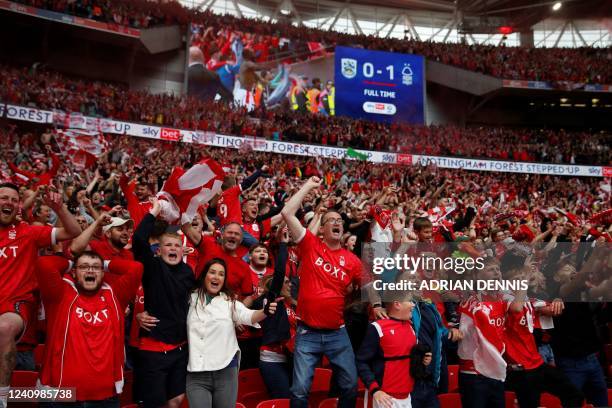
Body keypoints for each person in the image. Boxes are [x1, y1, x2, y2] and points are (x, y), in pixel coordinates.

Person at [281, 176, 362, 408]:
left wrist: (375, 304)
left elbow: (368, 286)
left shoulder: (352, 260)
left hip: (338, 333)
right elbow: (287, 213)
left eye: (339, 220)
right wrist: (308, 186)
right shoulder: (310, 245)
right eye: (331, 220)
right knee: (299, 391)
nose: (337, 222)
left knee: (349, 386)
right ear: (323, 228)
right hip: (308, 333)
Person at [0, 182, 80, 408]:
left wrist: (59, 208)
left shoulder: (28, 232)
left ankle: (2, 399)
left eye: (14, 200)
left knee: (4, 328)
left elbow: (73, 232)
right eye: (4, 198)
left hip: (17, 317)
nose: (9, 203)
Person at [36, 252, 142, 408]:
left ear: (103, 273)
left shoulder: (115, 295)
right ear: (73, 272)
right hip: (59, 396)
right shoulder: (59, 294)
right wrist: (73, 263)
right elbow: (44, 263)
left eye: (95, 268)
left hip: (106, 397)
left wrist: (104, 264)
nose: (90, 271)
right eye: (84, 267)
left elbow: (136, 268)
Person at [186, 258, 279, 408]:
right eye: (213, 272)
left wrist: (265, 311)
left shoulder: (229, 302)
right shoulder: (190, 299)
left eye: (221, 274)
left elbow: (249, 316)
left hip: (225, 371)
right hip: (197, 373)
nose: (217, 277)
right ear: (204, 276)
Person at [131, 198, 195, 408]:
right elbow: (139, 240)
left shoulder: (187, 273)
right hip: (153, 349)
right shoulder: (153, 267)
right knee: (154, 403)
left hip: (180, 349)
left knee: (176, 400)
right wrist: (154, 211)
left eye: (177, 245)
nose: (173, 248)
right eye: (168, 245)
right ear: (159, 250)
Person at [356, 291, 417, 408]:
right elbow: (360, 361)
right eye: (410, 301)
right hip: (384, 398)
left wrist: (423, 359)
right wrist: (375, 390)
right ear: (397, 304)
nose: (413, 305)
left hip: (407, 397)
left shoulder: (410, 327)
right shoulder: (377, 328)